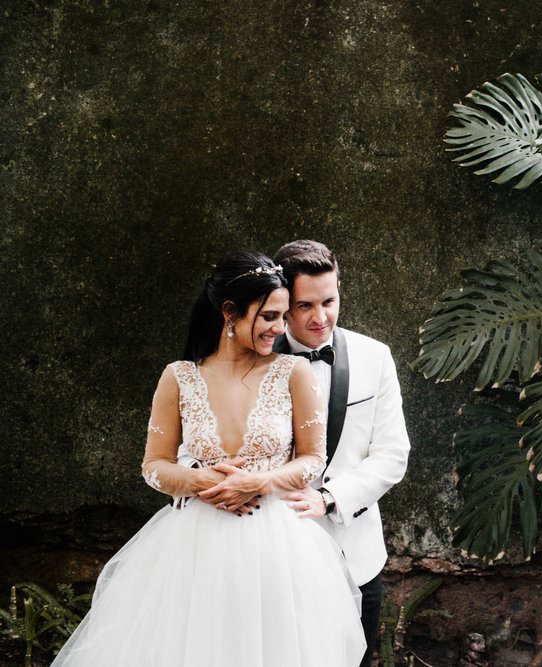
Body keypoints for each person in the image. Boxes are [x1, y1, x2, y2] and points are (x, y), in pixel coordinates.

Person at [52, 251, 366, 667]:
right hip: (191, 550)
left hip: (279, 547)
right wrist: (202, 483)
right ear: (230, 312)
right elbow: (154, 466)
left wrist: (259, 483)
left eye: (282, 315)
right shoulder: (178, 376)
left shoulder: (293, 372)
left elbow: (313, 458)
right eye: (269, 316)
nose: (280, 327)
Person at [272, 239, 411, 667]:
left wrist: (329, 498)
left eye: (329, 301)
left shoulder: (376, 356)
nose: (320, 317)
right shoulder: (251, 361)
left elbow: (392, 453)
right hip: (276, 554)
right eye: (305, 305)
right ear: (282, 304)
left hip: (355, 551)